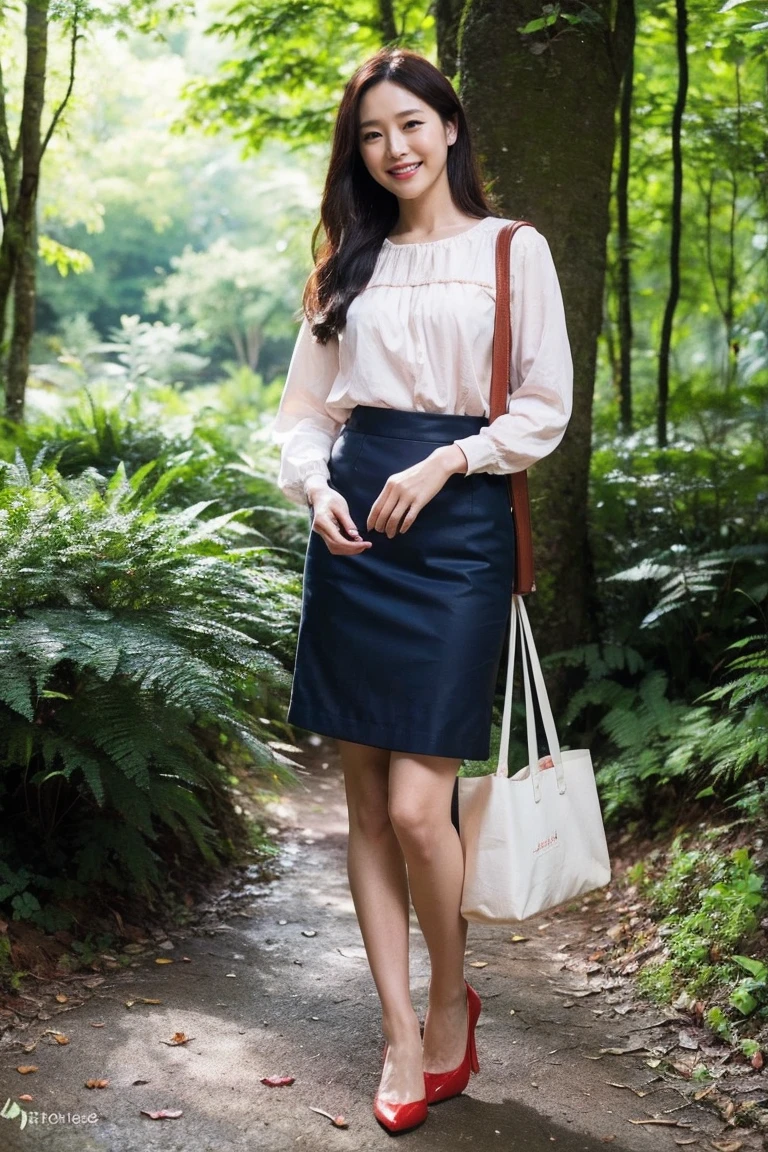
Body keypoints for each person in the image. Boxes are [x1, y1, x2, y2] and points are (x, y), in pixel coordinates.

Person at [271, 46, 573, 1135]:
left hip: (456, 529)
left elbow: (545, 405)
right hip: (354, 527)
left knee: (416, 805)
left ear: (449, 128)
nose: (393, 148)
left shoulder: (511, 251)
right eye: (370, 133)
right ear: (357, 152)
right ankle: (400, 1030)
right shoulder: (346, 267)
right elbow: (306, 413)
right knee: (364, 805)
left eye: (411, 125)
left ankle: (454, 997)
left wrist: (450, 461)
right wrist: (314, 489)